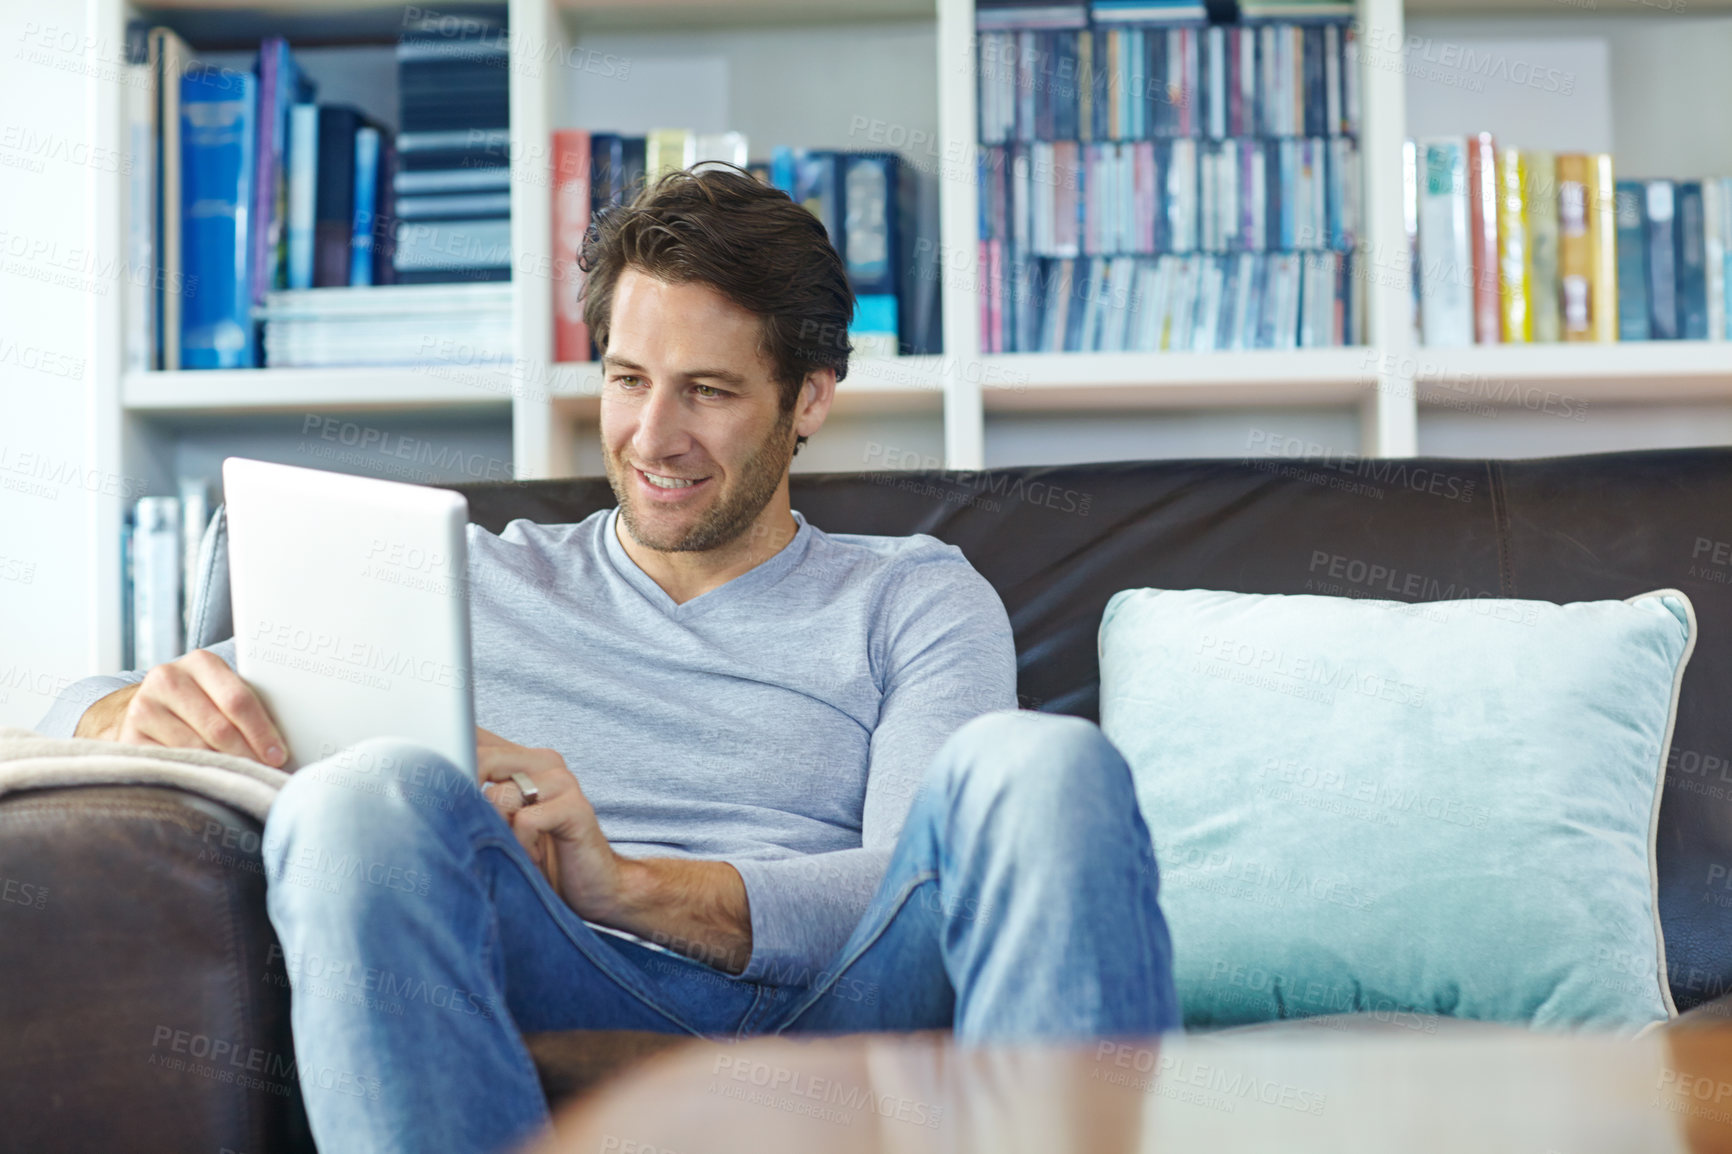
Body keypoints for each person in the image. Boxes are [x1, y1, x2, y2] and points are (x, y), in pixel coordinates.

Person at [38, 165, 1178, 1154]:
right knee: (360, 798)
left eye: (710, 391)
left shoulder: (912, 594)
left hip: (849, 994)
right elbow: (71, 703)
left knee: (1045, 765)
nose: (651, 434)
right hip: (577, 969)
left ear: (810, 400)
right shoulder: (469, 579)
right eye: (628, 379)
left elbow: (903, 885)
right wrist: (135, 710)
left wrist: (624, 876)